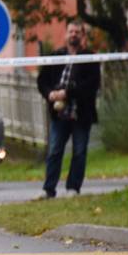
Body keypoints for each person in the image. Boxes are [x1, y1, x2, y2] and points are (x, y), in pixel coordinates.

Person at [36, 20, 101, 198]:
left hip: (81, 114)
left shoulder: (90, 58)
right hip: (59, 115)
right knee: (54, 151)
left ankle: (73, 188)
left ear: (82, 36)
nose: (73, 35)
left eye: (77, 32)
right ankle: (48, 189)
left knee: (79, 152)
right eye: (71, 31)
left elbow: (92, 85)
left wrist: (67, 93)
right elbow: (42, 81)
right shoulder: (56, 56)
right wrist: (50, 94)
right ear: (66, 34)